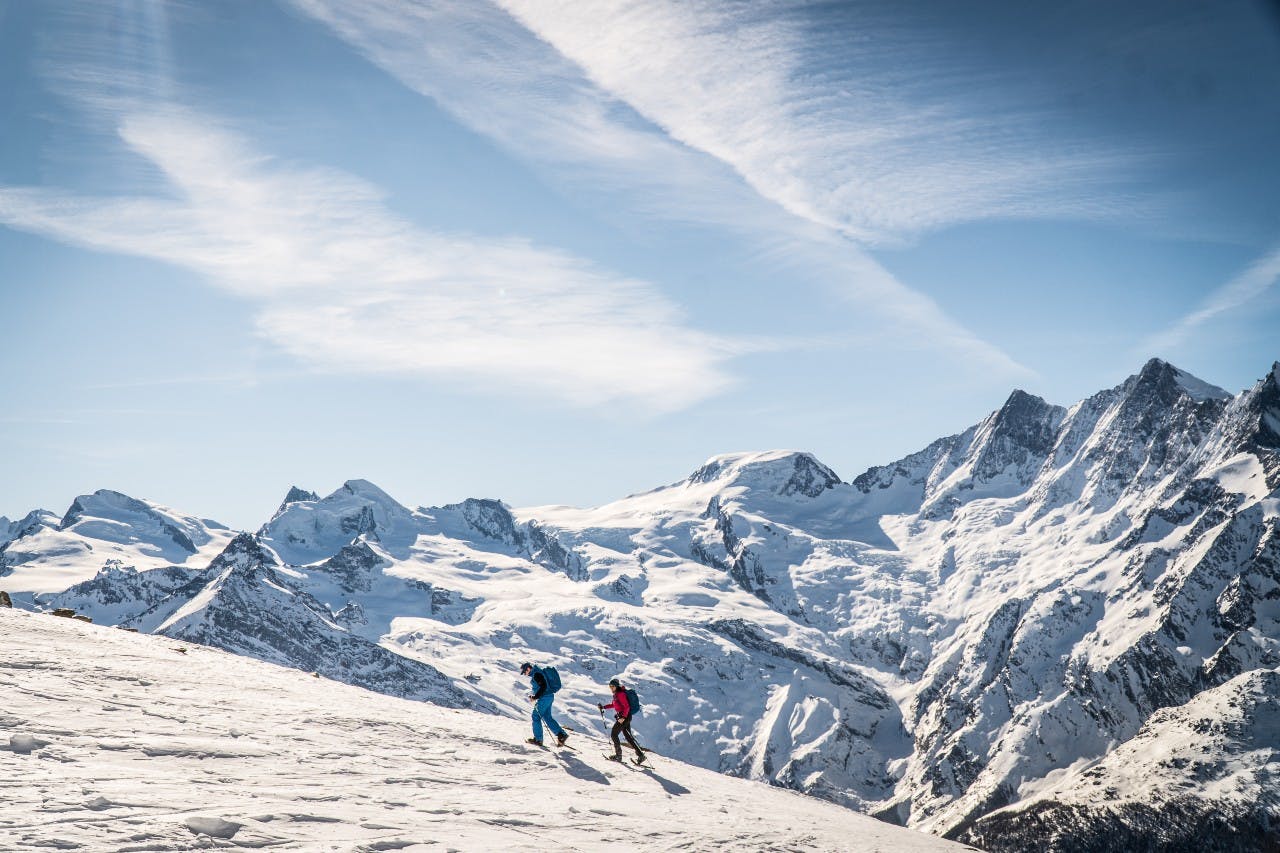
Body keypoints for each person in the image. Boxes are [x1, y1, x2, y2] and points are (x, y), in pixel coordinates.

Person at [598, 678, 645, 764]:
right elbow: (614, 705)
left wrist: (623, 717)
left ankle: (618, 756)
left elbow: (626, 707)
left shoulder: (620, 694)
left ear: (616, 686)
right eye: (610, 686)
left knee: (614, 734)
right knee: (628, 737)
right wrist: (603, 707)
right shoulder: (616, 695)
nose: (611, 688)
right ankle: (641, 755)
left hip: (624, 717)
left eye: (612, 686)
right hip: (625, 717)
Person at [521, 661, 569, 747]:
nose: (525, 674)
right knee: (547, 717)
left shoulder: (536, 674)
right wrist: (535, 696)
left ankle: (538, 740)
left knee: (535, 716)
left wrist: (535, 697)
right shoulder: (537, 673)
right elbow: (542, 686)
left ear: (528, 669)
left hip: (545, 698)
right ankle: (561, 735)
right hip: (549, 696)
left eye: (525, 671)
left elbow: (543, 686)